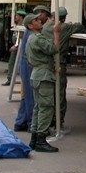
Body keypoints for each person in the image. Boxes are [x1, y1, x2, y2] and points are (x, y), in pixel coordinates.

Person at [41, 7, 84, 134]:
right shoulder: (63, 28)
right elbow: (80, 26)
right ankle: (58, 122)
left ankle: (47, 122)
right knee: (59, 94)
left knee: (47, 94)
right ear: (64, 18)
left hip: (46, 64)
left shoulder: (45, 27)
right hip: (59, 63)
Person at [25, 13, 61, 152]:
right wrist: (56, 33)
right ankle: (41, 139)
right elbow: (53, 49)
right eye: (35, 20)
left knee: (38, 108)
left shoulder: (30, 39)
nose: (39, 21)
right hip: (43, 75)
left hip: (37, 74)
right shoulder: (38, 39)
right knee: (46, 108)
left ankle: (34, 138)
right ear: (30, 25)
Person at [12, 22, 33, 132]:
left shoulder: (29, 31)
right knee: (31, 96)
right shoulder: (32, 33)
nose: (40, 22)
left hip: (25, 64)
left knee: (26, 95)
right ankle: (31, 124)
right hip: (28, 65)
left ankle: (21, 122)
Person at [3, 10, 26, 85]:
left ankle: (12, 79)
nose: (15, 17)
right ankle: (10, 78)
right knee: (12, 63)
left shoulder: (23, 26)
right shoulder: (17, 25)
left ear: (21, 17)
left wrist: (16, 46)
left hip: (19, 47)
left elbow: (21, 37)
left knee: (15, 63)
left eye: (16, 16)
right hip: (16, 47)